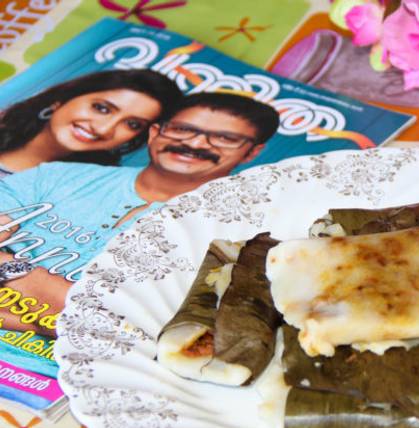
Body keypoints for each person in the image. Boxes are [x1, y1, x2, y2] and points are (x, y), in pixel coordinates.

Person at [0, 92, 280, 376]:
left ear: (251, 152)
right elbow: (93, 318)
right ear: (155, 132)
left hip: (58, 384)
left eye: (224, 138)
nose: (195, 144)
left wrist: (13, 274)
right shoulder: (56, 176)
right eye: (183, 129)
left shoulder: (232, 235)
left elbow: (133, 331)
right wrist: (57, 308)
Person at [0, 69, 183, 176]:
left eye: (132, 124)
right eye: (102, 108)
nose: (103, 128)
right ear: (62, 99)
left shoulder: (81, 194)